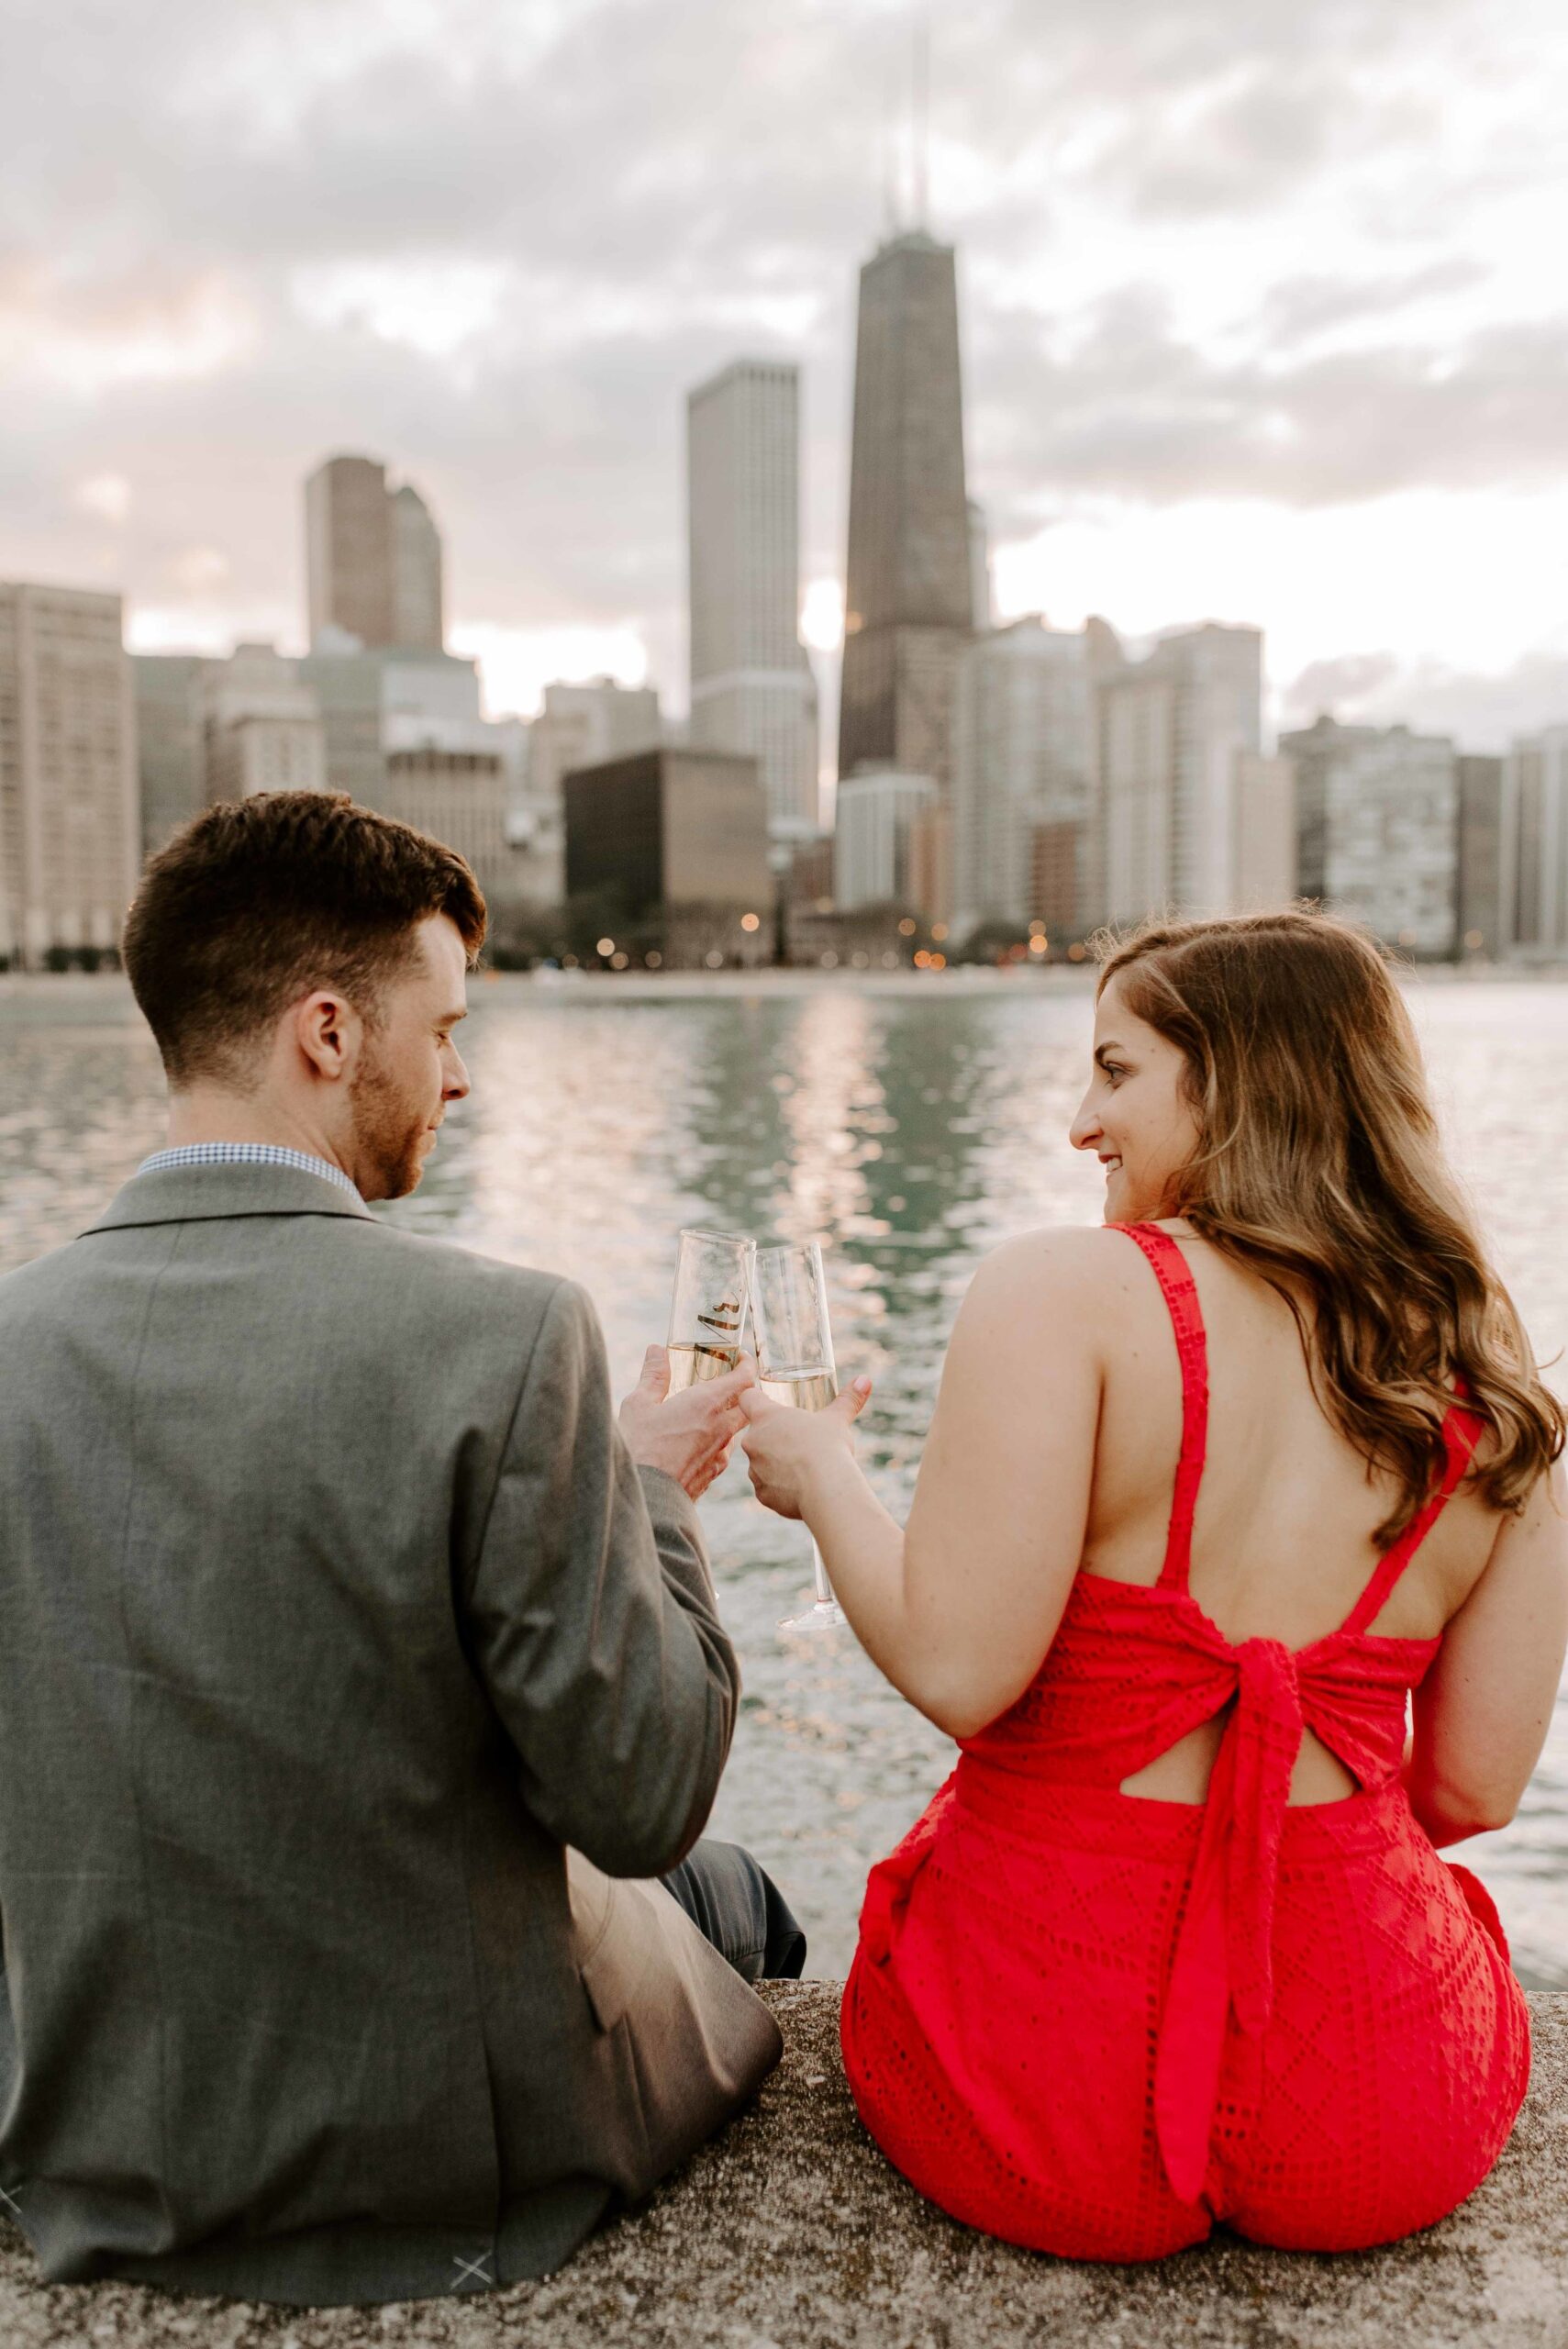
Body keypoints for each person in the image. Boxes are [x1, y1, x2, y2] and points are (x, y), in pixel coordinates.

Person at [0, 791, 801, 2310]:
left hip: (89, 2144)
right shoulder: (499, 1336)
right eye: (442, 1029)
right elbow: (635, 1796)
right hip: (448, 2172)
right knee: (728, 1887)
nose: (464, 1078)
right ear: (326, 1032)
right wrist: (648, 1498)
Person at [740, 909, 1568, 2259]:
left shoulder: (1061, 1295)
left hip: (1041, 2076)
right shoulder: (1488, 1375)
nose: (1079, 1122)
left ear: (1239, 1082)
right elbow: (1469, 1794)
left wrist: (826, 1476)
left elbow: (958, 1671)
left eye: (1115, 1072)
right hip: (1379, 2093)